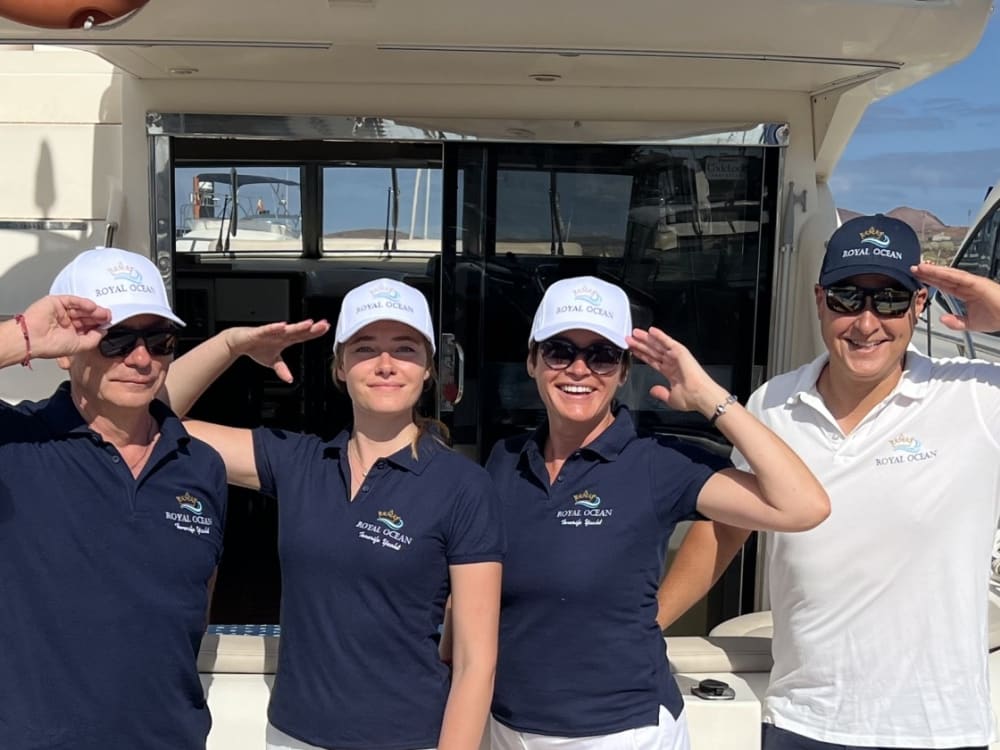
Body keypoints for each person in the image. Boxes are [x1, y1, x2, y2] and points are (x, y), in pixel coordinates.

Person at [661, 213, 1000, 750]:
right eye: (847, 298)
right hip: (803, 720)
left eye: (888, 299)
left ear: (919, 305)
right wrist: (645, 624)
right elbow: (724, 531)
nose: (866, 323)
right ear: (819, 300)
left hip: (938, 729)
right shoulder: (772, 405)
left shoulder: (977, 398)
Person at [483, 275, 830, 750]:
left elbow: (803, 507)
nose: (579, 369)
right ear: (532, 361)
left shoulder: (658, 463)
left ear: (625, 371)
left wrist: (710, 398)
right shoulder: (504, 460)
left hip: (622, 732)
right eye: (560, 351)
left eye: (602, 355)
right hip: (509, 727)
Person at [162, 277, 504, 750]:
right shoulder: (299, 462)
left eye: (404, 349)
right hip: (292, 736)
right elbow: (158, 421)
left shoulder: (463, 487)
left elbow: (474, 662)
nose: (385, 365)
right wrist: (230, 344)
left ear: (428, 368)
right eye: (365, 348)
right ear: (340, 366)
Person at [0, 247, 228, 750]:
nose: (141, 357)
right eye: (114, 338)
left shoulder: (202, 467)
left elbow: (190, 612)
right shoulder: (14, 442)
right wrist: (20, 338)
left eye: (159, 339)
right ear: (66, 350)